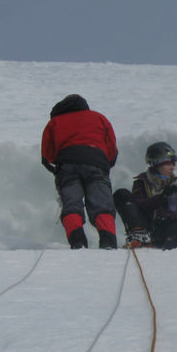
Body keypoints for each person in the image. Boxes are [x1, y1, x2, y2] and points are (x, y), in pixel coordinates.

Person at [41, 94, 118, 249]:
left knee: (72, 205)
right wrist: (105, 164)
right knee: (101, 205)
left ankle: (78, 242)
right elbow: (111, 150)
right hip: (96, 163)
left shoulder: (55, 122)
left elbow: (47, 154)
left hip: (68, 165)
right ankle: (108, 242)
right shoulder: (99, 118)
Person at [113, 141, 177, 249]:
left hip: (168, 225)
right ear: (157, 164)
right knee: (121, 194)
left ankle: (165, 248)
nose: (172, 167)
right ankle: (139, 234)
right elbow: (140, 205)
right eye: (168, 163)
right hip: (147, 224)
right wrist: (162, 198)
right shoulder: (142, 182)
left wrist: (168, 215)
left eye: (173, 163)